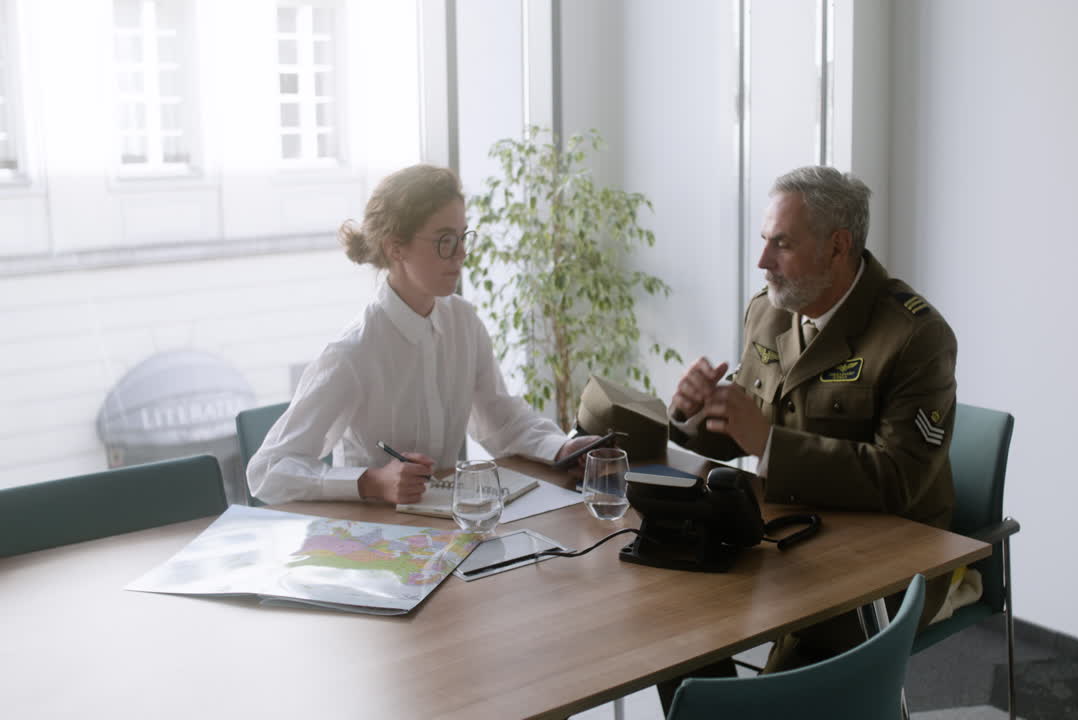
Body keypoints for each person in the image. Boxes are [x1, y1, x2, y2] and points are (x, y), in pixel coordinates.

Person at [662, 166, 957, 701]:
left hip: (886, 564)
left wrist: (768, 444)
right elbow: (744, 425)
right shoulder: (769, 312)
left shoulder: (915, 335)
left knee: (780, 690)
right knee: (669, 622)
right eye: (764, 241)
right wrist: (692, 413)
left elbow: (900, 480)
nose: (762, 261)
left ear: (837, 247)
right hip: (789, 535)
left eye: (782, 244)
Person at [247, 164, 600, 505]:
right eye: (445, 240)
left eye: (462, 237)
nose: (461, 254)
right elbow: (266, 471)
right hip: (372, 531)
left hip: (444, 525)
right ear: (395, 247)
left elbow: (501, 420)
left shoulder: (464, 322)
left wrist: (562, 448)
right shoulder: (354, 351)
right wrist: (372, 482)